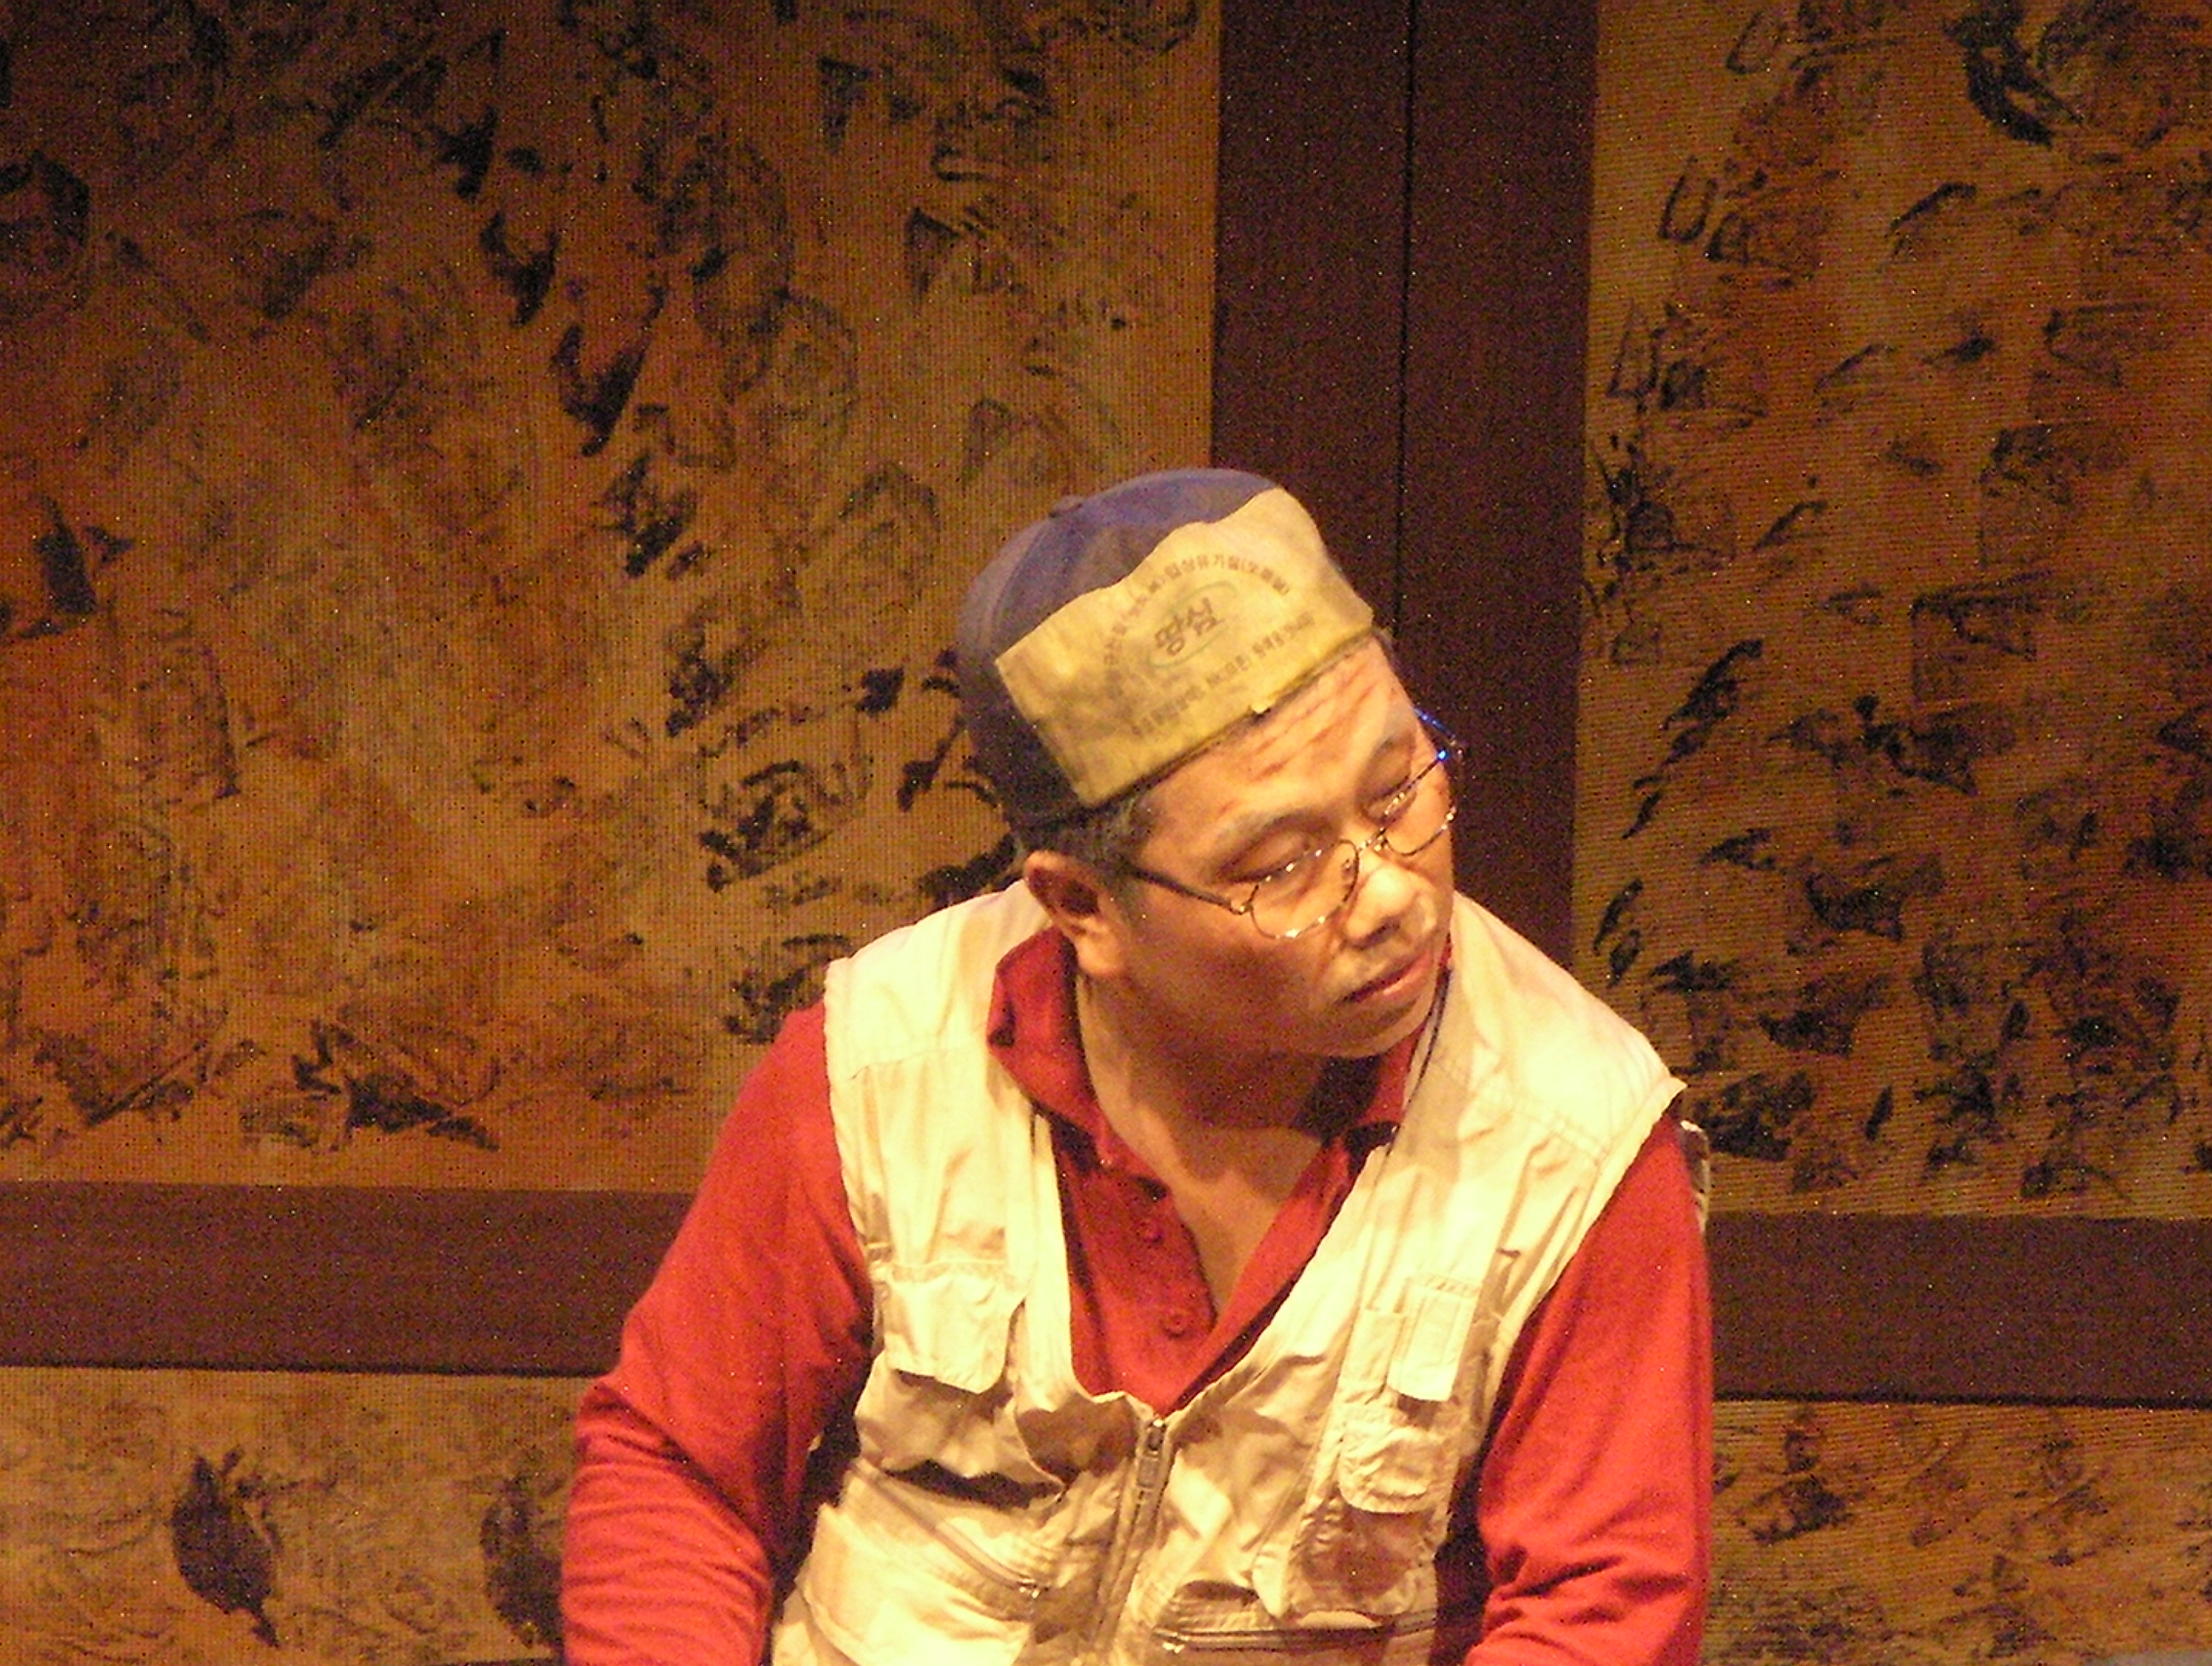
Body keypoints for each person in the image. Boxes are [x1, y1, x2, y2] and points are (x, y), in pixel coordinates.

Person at [561, 468, 1712, 1665]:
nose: (1391, 897)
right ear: (1082, 907)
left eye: (1398, 791)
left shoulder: (1572, 1141)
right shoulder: (880, 1068)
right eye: (1282, 865)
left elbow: (1598, 1609)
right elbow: (680, 1473)